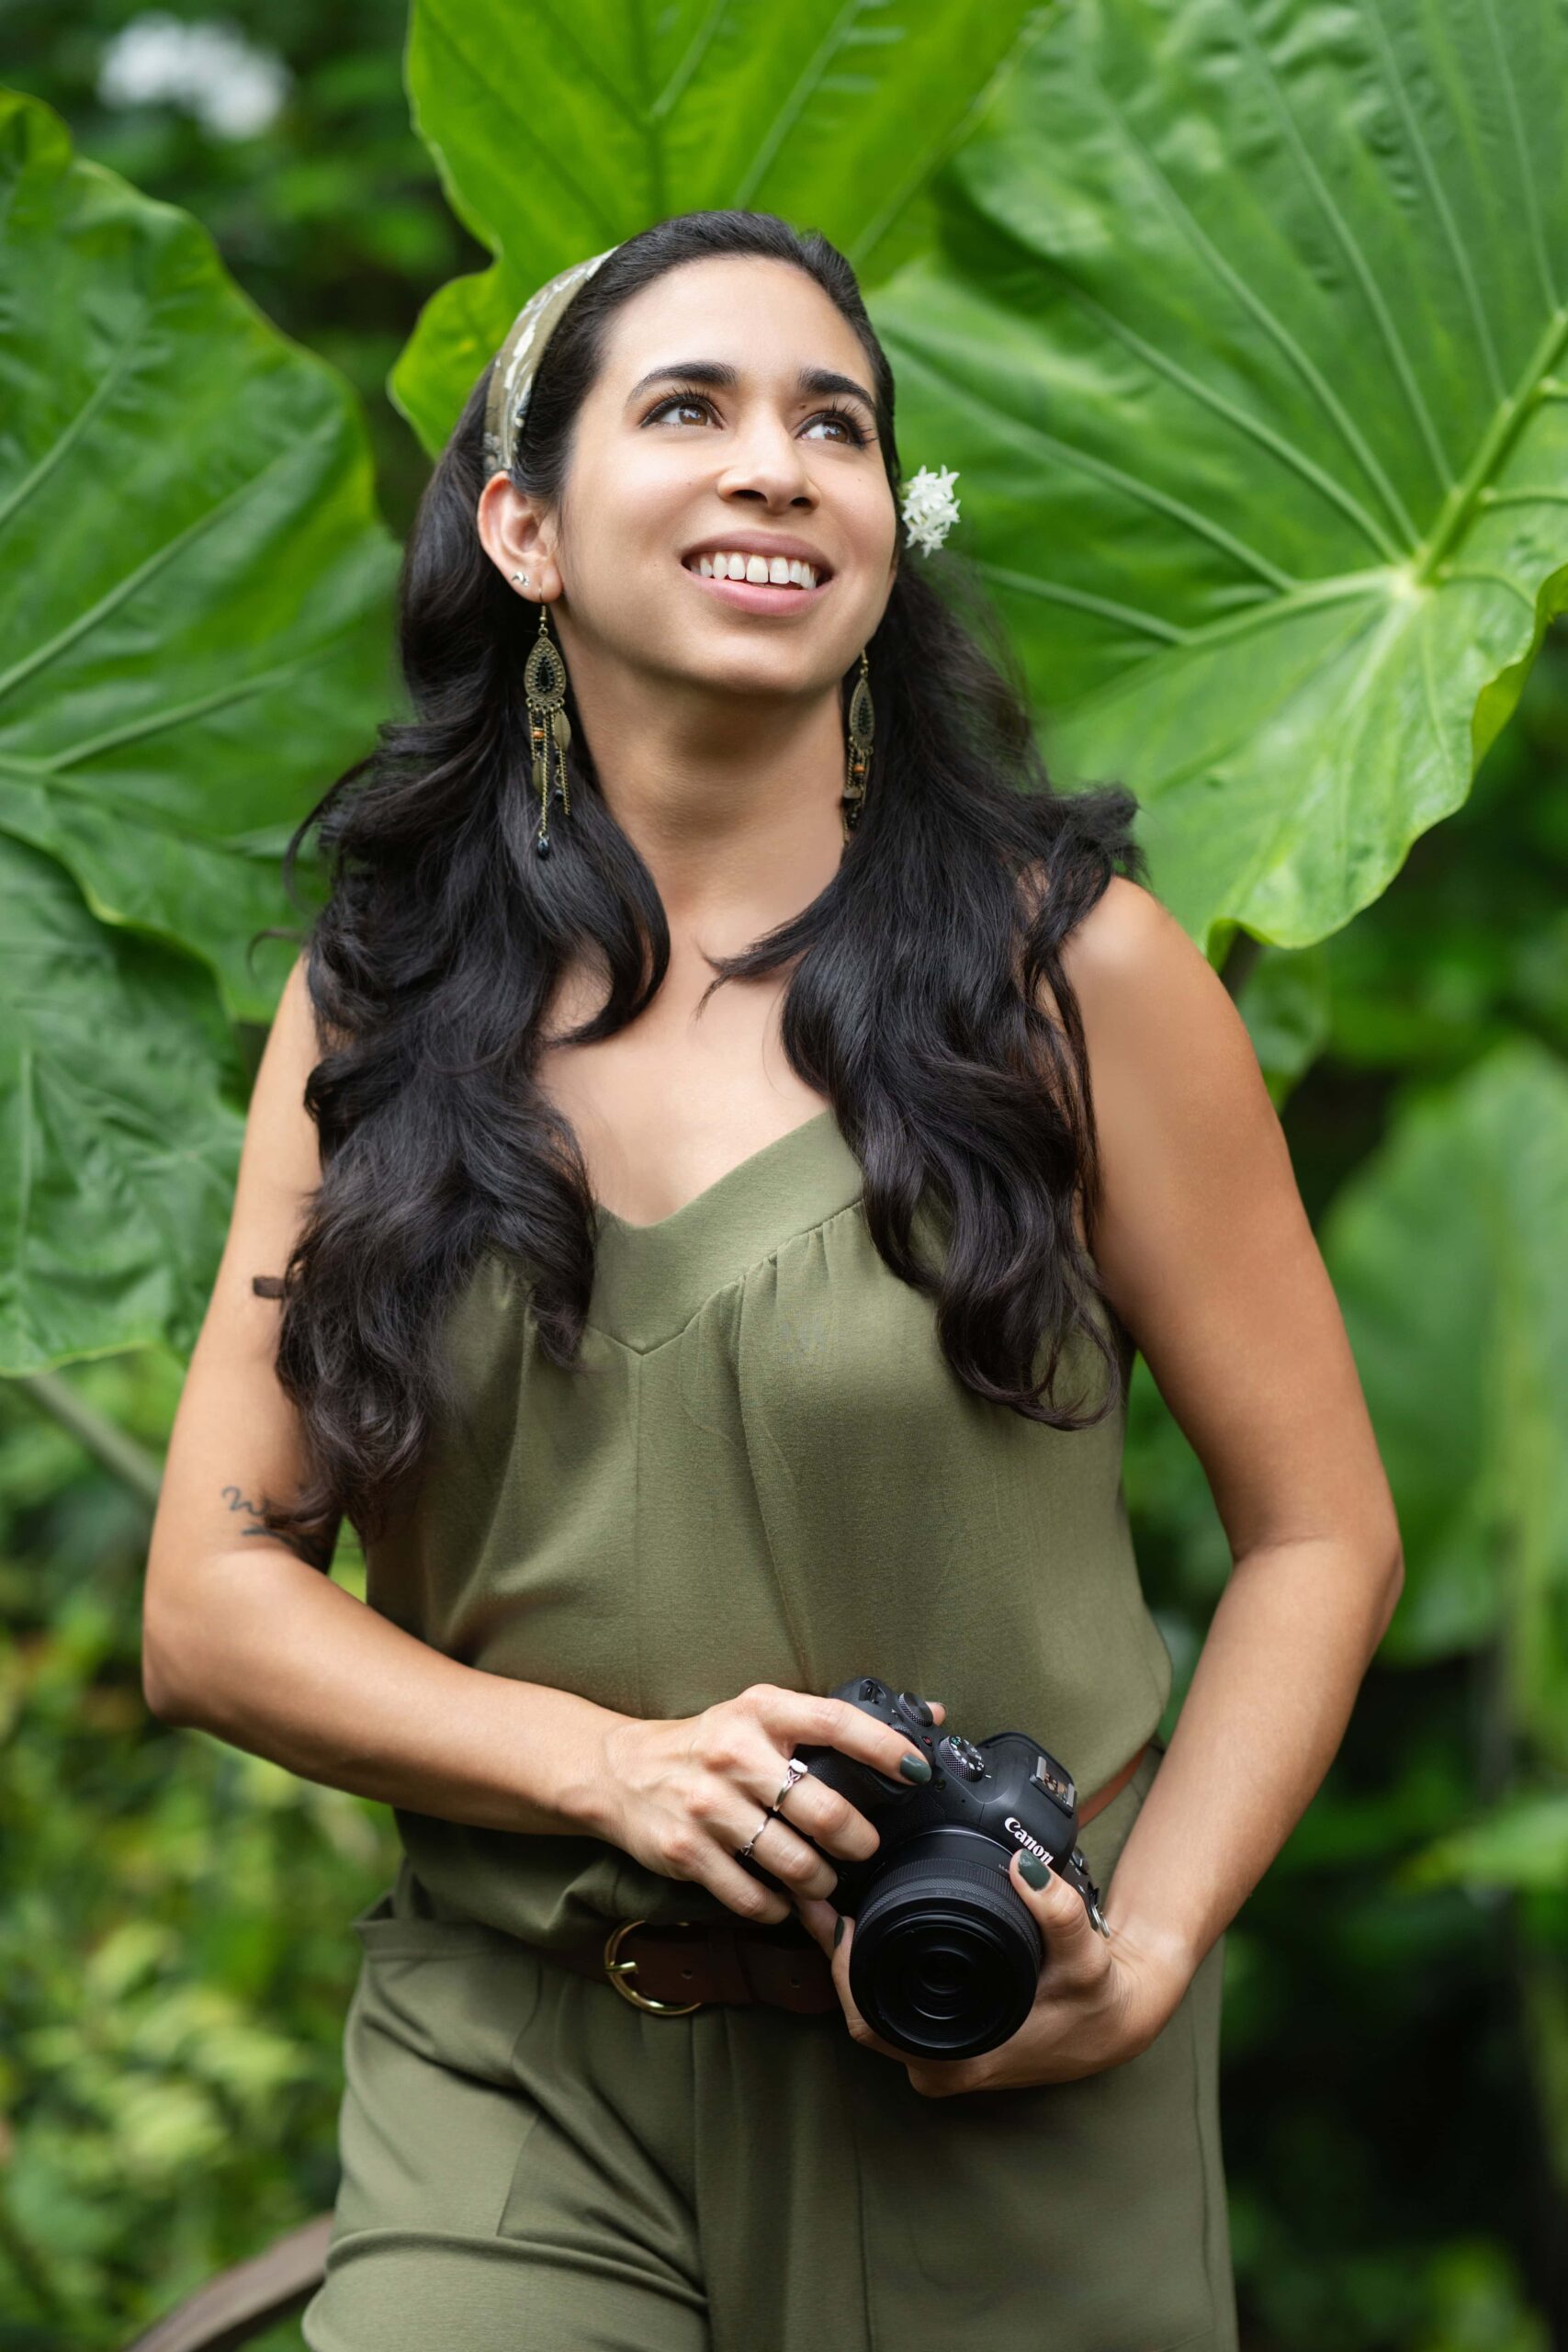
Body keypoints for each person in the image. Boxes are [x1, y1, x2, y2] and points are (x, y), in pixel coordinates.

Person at [141, 208, 1404, 2351]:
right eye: (690, 407)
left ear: (880, 542)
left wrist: (1154, 1940)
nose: (774, 462)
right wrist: (600, 1765)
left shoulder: (1070, 975)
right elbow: (213, 1592)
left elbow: (1315, 1528)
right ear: (525, 524)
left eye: (832, 422)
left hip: (988, 2055)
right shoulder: (373, 1004)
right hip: (519, 2062)